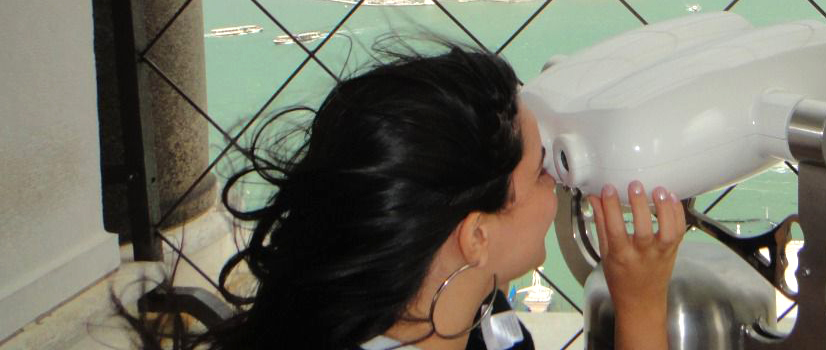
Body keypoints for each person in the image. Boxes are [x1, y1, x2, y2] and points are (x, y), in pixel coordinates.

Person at [134, 43, 685, 350]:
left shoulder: (468, 316)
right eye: (542, 170)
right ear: (476, 236)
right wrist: (640, 303)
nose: (560, 184)